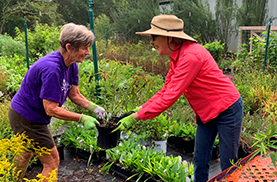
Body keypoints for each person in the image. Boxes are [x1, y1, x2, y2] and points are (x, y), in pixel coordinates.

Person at [113, 15, 243, 182]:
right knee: (200, 158)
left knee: (228, 165)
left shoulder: (190, 56)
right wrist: (139, 109)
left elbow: (169, 97)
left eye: (154, 37)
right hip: (206, 112)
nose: (151, 42)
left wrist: (135, 118)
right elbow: (165, 90)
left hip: (227, 109)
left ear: (169, 38)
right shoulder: (178, 56)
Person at [8, 23, 104, 182]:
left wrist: (94, 108)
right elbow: (51, 109)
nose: (88, 52)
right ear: (69, 47)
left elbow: (75, 94)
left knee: (25, 152)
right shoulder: (52, 69)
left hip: (27, 114)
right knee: (52, 161)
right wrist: (82, 118)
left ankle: (10, 179)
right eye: (84, 48)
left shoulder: (71, 65)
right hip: (26, 116)